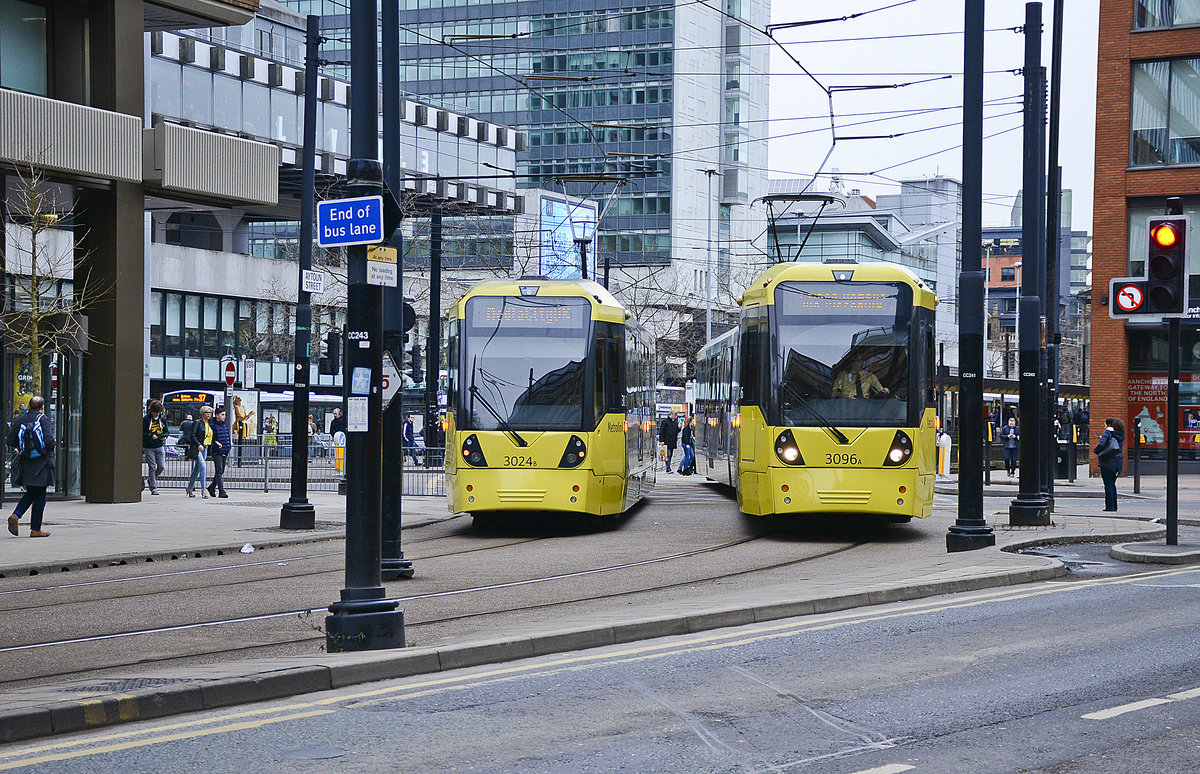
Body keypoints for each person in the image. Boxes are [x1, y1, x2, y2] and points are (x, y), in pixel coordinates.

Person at [6, 396, 56, 538]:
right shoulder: (43, 419)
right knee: (40, 494)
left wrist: (21, 448)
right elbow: (49, 441)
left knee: (33, 492)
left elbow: (10, 440)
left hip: (26, 461)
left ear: (29, 406)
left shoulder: (19, 420)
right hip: (42, 462)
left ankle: (17, 516)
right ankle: (34, 529)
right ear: (42, 407)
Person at [1095, 417, 1125, 512]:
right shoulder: (1120, 434)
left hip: (1107, 461)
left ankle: (1109, 507)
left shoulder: (1107, 432)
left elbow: (1102, 445)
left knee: (1108, 484)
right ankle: (1114, 506)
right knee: (1112, 484)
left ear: (1108, 425)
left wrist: (1096, 451)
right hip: (1118, 462)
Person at [186, 406, 214, 498]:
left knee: (196, 469)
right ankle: (203, 489)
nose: (208, 414)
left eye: (210, 412)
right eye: (207, 412)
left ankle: (190, 488)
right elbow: (192, 436)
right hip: (198, 448)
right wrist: (198, 445)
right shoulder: (198, 423)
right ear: (202, 413)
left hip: (205, 448)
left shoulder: (209, 424)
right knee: (203, 466)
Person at [143, 399, 167, 495]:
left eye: (158, 412)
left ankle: (151, 479)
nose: (156, 414)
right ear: (151, 411)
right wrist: (150, 435)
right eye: (155, 412)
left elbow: (166, 430)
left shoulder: (163, 419)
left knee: (161, 466)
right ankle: (153, 487)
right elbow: (142, 432)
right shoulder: (146, 419)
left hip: (159, 445)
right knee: (152, 467)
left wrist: (164, 436)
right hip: (148, 446)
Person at [207, 406, 231, 498]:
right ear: (217, 415)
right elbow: (210, 438)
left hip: (224, 449)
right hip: (217, 451)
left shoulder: (224, 425)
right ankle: (221, 490)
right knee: (219, 470)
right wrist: (216, 443)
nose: (224, 416)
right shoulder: (213, 425)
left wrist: (228, 447)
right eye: (222, 414)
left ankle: (212, 487)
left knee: (221, 470)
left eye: (225, 414)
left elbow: (227, 436)